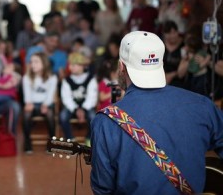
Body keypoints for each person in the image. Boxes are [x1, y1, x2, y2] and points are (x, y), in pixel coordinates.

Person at [90, 31, 223, 194]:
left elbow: (103, 188)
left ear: (121, 67)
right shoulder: (202, 105)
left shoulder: (106, 122)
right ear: (160, 64)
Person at [59, 52, 98, 146]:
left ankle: (89, 138)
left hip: (87, 106)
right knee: (63, 116)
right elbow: (66, 98)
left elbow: (92, 97)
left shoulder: (90, 79)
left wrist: (83, 109)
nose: (71, 67)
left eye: (74, 65)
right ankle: (70, 138)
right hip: (72, 106)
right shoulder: (67, 80)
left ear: (82, 66)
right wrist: (76, 109)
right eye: (70, 65)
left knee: (93, 118)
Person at [22, 52, 58, 154]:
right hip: (33, 103)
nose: (33, 64)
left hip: (47, 103)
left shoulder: (52, 77)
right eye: (31, 62)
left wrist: (46, 104)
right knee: (26, 114)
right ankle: (27, 142)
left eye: (36, 62)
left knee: (50, 115)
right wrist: (29, 103)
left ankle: (52, 142)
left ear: (44, 63)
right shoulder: (27, 77)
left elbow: (51, 94)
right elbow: (27, 94)